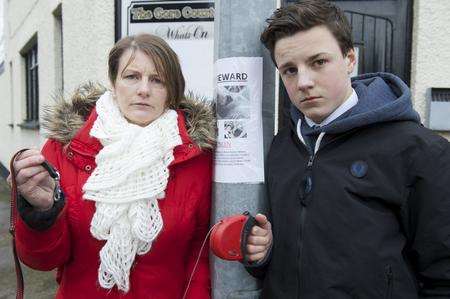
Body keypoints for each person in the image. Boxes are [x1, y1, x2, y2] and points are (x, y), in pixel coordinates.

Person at [243, 1, 450, 298]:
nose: (304, 82)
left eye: (318, 62)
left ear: (350, 58)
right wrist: (262, 252)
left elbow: (443, 274)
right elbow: (293, 253)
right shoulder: (282, 146)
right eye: (290, 70)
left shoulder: (420, 150)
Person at [9, 33, 215, 298]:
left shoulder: (196, 158)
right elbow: (43, 260)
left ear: (171, 90)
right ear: (114, 82)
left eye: (157, 80)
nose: (144, 89)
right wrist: (42, 211)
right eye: (132, 77)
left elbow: (199, 259)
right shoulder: (66, 147)